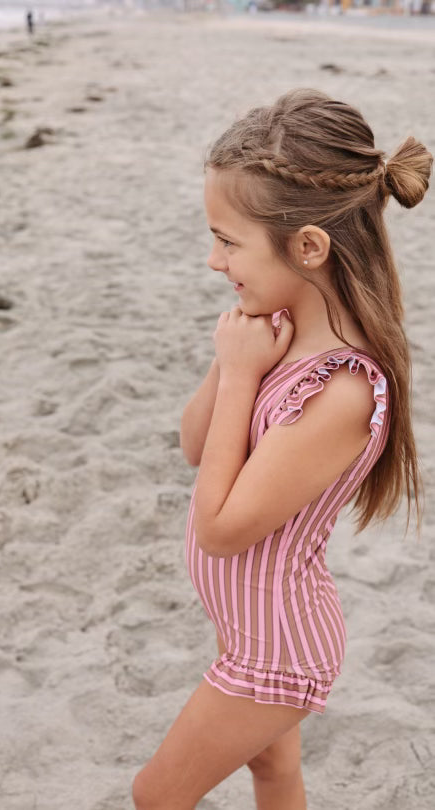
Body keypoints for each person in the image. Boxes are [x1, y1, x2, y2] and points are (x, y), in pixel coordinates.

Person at [132, 88, 432, 810]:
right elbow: (196, 446)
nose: (213, 260)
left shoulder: (343, 389)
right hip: (249, 630)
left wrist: (242, 374)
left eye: (228, 240)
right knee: (275, 775)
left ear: (308, 247)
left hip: (279, 649)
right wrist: (230, 358)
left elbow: (222, 528)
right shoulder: (277, 331)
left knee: (155, 796)